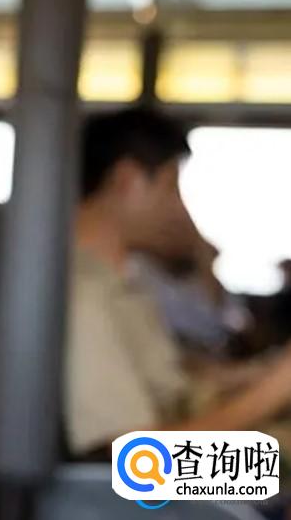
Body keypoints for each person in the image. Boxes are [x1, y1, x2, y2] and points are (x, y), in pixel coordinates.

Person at [66, 107, 291, 459]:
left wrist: (261, 376)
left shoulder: (122, 287)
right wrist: (273, 392)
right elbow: (135, 459)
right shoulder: (84, 297)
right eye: (171, 187)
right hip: (145, 481)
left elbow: (176, 387)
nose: (179, 209)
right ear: (127, 181)